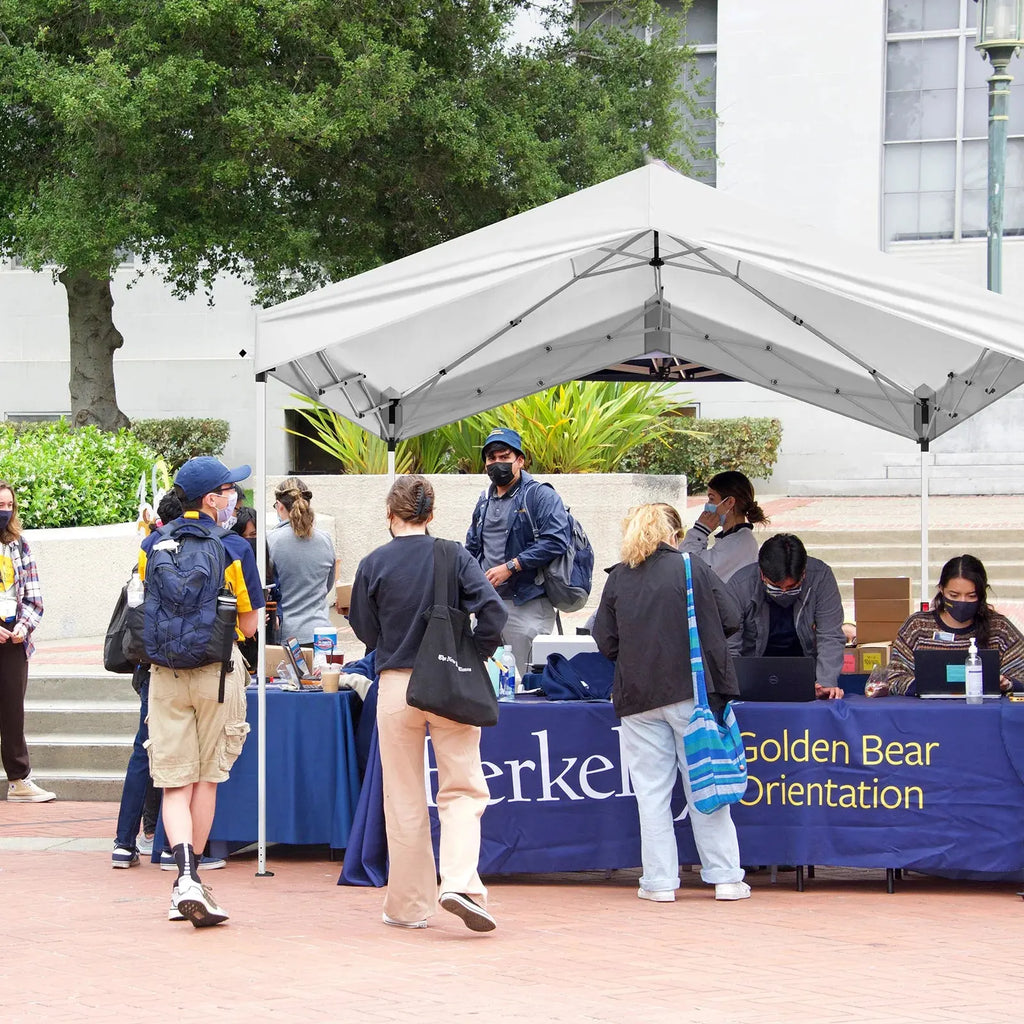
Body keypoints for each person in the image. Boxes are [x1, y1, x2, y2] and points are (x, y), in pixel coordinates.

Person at [350, 475, 507, 932]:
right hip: (449, 680)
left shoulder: (373, 563)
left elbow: (366, 630)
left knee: (402, 797)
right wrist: (474, 650)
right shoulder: (453, 555)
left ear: (390, 514)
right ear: (431, 514)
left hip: (396, 684)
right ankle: (458, 881)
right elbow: (493, 611)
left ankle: (408, 906)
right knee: (462, 788)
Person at [592, 503, 750, 902]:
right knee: (706, 783)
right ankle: (726, 877)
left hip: (637, 699)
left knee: (651, 794)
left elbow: (605, 639)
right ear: (672, 533)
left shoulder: (618, 578)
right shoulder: (689, 567)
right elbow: (731, 616)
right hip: (691, 693)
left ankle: (659, 882)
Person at [139, 456, 264, 926]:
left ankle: (183, 879)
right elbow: (249, 624)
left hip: (164, 672)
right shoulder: (234, 548)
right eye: (230, 489)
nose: (235, 497)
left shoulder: (152, 543)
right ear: (211, 499)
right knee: (207, 780)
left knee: (175, 782)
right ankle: (190, 882)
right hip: (216, 673)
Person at [465, 426, 570, 671]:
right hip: (488, 607)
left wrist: (511, 567)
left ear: (520, 460)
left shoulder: (540, 495)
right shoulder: (483, 503)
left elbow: (556, 540)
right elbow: (472, 548)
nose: (497, 463)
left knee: (523, 683)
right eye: (492, 458)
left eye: (504, 457)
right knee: (485, 682)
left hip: (527, 604)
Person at [870, 554, 1024, 697]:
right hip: (928, 716)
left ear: (982, 594)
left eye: (971, 596)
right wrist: (928, 686)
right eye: (954, 595)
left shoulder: (1000, 629)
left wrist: (1008, 683)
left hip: (984, 715)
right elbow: (895, 676)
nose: (962, 601)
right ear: (941, 590)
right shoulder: (917, 627)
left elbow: (1020, 673)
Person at [729, 533, 846, 699]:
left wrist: (825, 682)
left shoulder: (820, 577)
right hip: (753, 674)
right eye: (776, 587)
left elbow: (830, 635)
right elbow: (729, 645)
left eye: (792, 587)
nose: (784, 592)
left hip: (808, 674)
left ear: (803, 574)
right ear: (762, 574)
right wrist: (736, 687)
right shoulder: (739, 586)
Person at [0, 481, 55, 803]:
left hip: (14, 639)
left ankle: (19, 779)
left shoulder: (19, 545)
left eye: (9, 506)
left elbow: (34, 599)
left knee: (12, 713)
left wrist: (23, 626)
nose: (4, 511)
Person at [267, 477, 337, 645]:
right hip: (322, 635)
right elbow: (327, 585)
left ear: (280, 506)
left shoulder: (270, 541)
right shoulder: (325, 539)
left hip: (286, 638)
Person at [680, 470, 769, 582]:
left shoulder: (738, 543)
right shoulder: (732, 538)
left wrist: (700, 531)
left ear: (730, 502)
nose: (708, 505)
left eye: (712, 499)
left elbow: (688, 566)